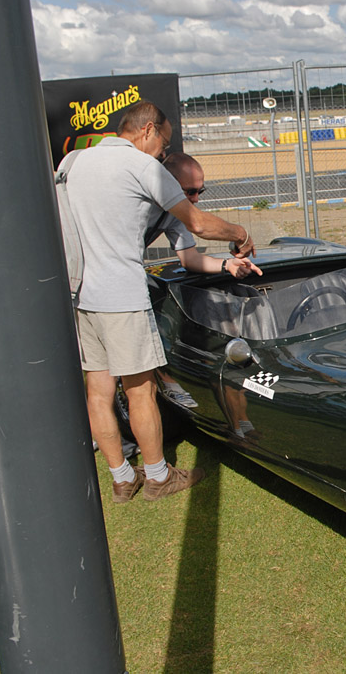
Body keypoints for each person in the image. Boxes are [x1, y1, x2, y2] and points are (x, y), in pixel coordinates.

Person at [66, 99, 256, 503]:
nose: (163, 153)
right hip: (121, 295)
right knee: (140, 391)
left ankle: (121, 478)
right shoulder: (143, 167)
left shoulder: (75, 162)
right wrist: (239, 233)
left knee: (98, 392)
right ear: (148, 130)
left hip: (82, 294)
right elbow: (200, 224)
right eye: (163, 144)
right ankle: (157, 475)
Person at [150, 152, 263, 409]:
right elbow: (199, 225)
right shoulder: (144, 200)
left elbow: (189, 258)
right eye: (189, 191)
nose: (195, 199)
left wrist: (227, 265)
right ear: (167, 183)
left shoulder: (173, 212)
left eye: (201, 191)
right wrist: (241, 234)